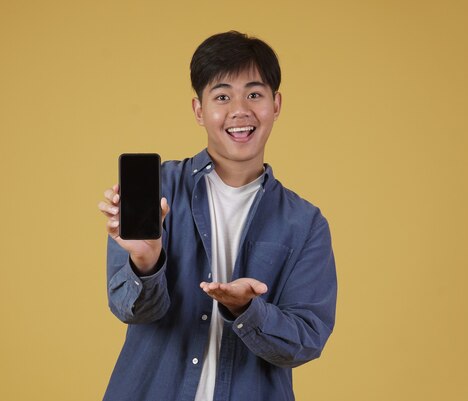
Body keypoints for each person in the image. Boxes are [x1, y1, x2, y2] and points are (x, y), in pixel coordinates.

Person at [98, 31, 337, 401]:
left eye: (254, 94)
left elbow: (306, 340)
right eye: (222, 96)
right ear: (199, 110)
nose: (240, 110)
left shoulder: (305, 223)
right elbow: (131, 311)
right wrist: (145, 262)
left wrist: (247, 310)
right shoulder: (157, 191)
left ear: (276, 104)